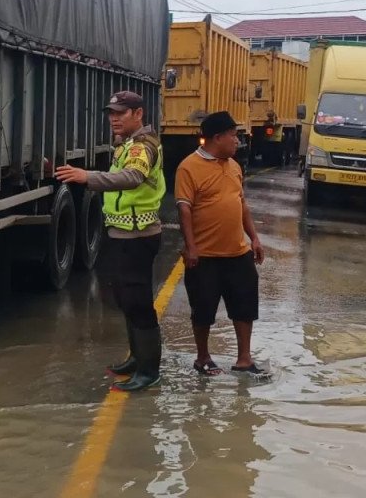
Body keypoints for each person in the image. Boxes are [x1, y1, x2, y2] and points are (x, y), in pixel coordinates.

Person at [55, 91, 165, 392]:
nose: (114, 118)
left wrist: (86, 176)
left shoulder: (143, 147)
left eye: (121, 113)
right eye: (111, 113)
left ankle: (149, 370)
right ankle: (136, 357)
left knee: (139, 302)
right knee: (126, 299)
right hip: (121, 232)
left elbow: (131, 178)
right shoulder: (125, 144)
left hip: (139, 235)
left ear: (139, 114)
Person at [175, 111, 269, 378]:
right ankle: (203, 358)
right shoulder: (188, 167)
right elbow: (184, 209)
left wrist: (255, 238)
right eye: (233, 136)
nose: (237, 141)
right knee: (203, 308)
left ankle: (244, 359)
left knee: (245, 305)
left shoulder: (234, 166)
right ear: (217, 138)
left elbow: (242, 205)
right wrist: (191, 247)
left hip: (237, 252)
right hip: (205, 255)